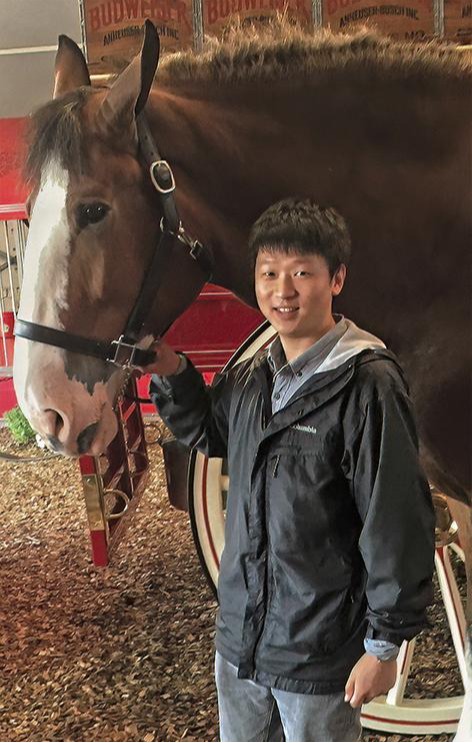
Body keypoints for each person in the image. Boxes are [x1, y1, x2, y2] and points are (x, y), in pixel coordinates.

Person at [143, 198, 435, 742]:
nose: (283, 290)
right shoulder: (254, 375)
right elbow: (214, 434)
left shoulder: (366, 385)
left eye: (302, 273)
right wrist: (173, 371)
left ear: (337, 278)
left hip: (317, 654)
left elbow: (394, 516)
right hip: (241, 642)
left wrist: (384, 646)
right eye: (269, 273)